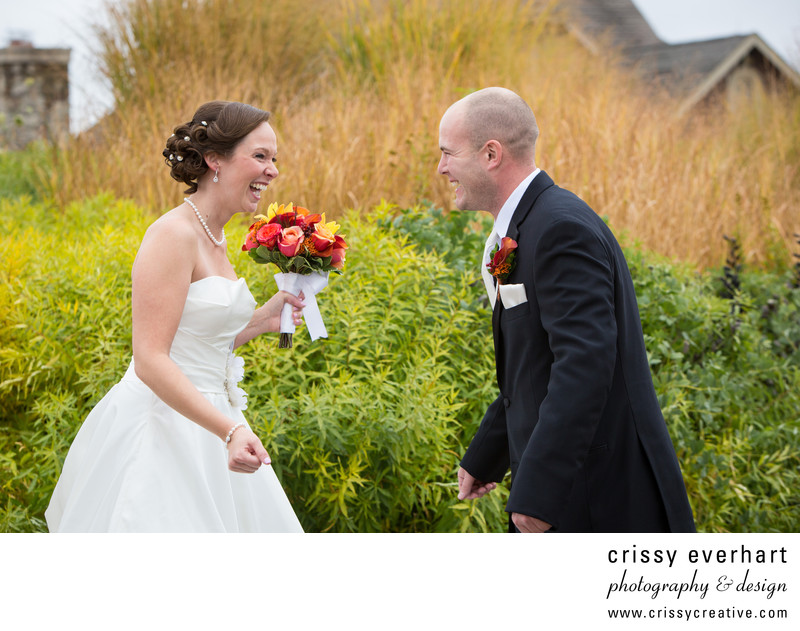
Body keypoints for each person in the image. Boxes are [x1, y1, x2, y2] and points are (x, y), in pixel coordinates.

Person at [437, 87, 696, 532]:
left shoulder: (559, 229)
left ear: (491, 154)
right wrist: (487, 455)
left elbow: (585, 364)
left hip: (599, 497)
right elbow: (533, 365)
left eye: (447, 153)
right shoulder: (529, 224)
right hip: (576, 488)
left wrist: (539, 492)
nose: (441, 168)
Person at [46, 101, 305, 532]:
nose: (273, 170)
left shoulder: (216, 236)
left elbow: (196, 341)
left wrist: (262, 320)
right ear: (214, 160)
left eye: (274, 159)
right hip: (162, 430)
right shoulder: (172, 235)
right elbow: (151, 359)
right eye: (260, 156)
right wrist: (228, 431)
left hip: (210, 421)